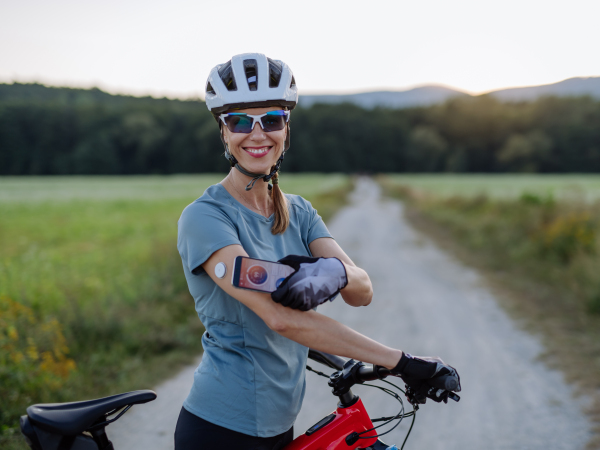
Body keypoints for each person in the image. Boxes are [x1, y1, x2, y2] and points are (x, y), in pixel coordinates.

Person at [174, 53, 461, 450]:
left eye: (271, 120)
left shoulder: (300, 212)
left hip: (278, 424)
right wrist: (403, 362)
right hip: (222, 428)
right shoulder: (205, 219)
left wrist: (339, 273)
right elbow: (280, 319)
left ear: (286, 128)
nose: (257, 135)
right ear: (224, 132)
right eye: (240, 121)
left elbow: (362, 291)